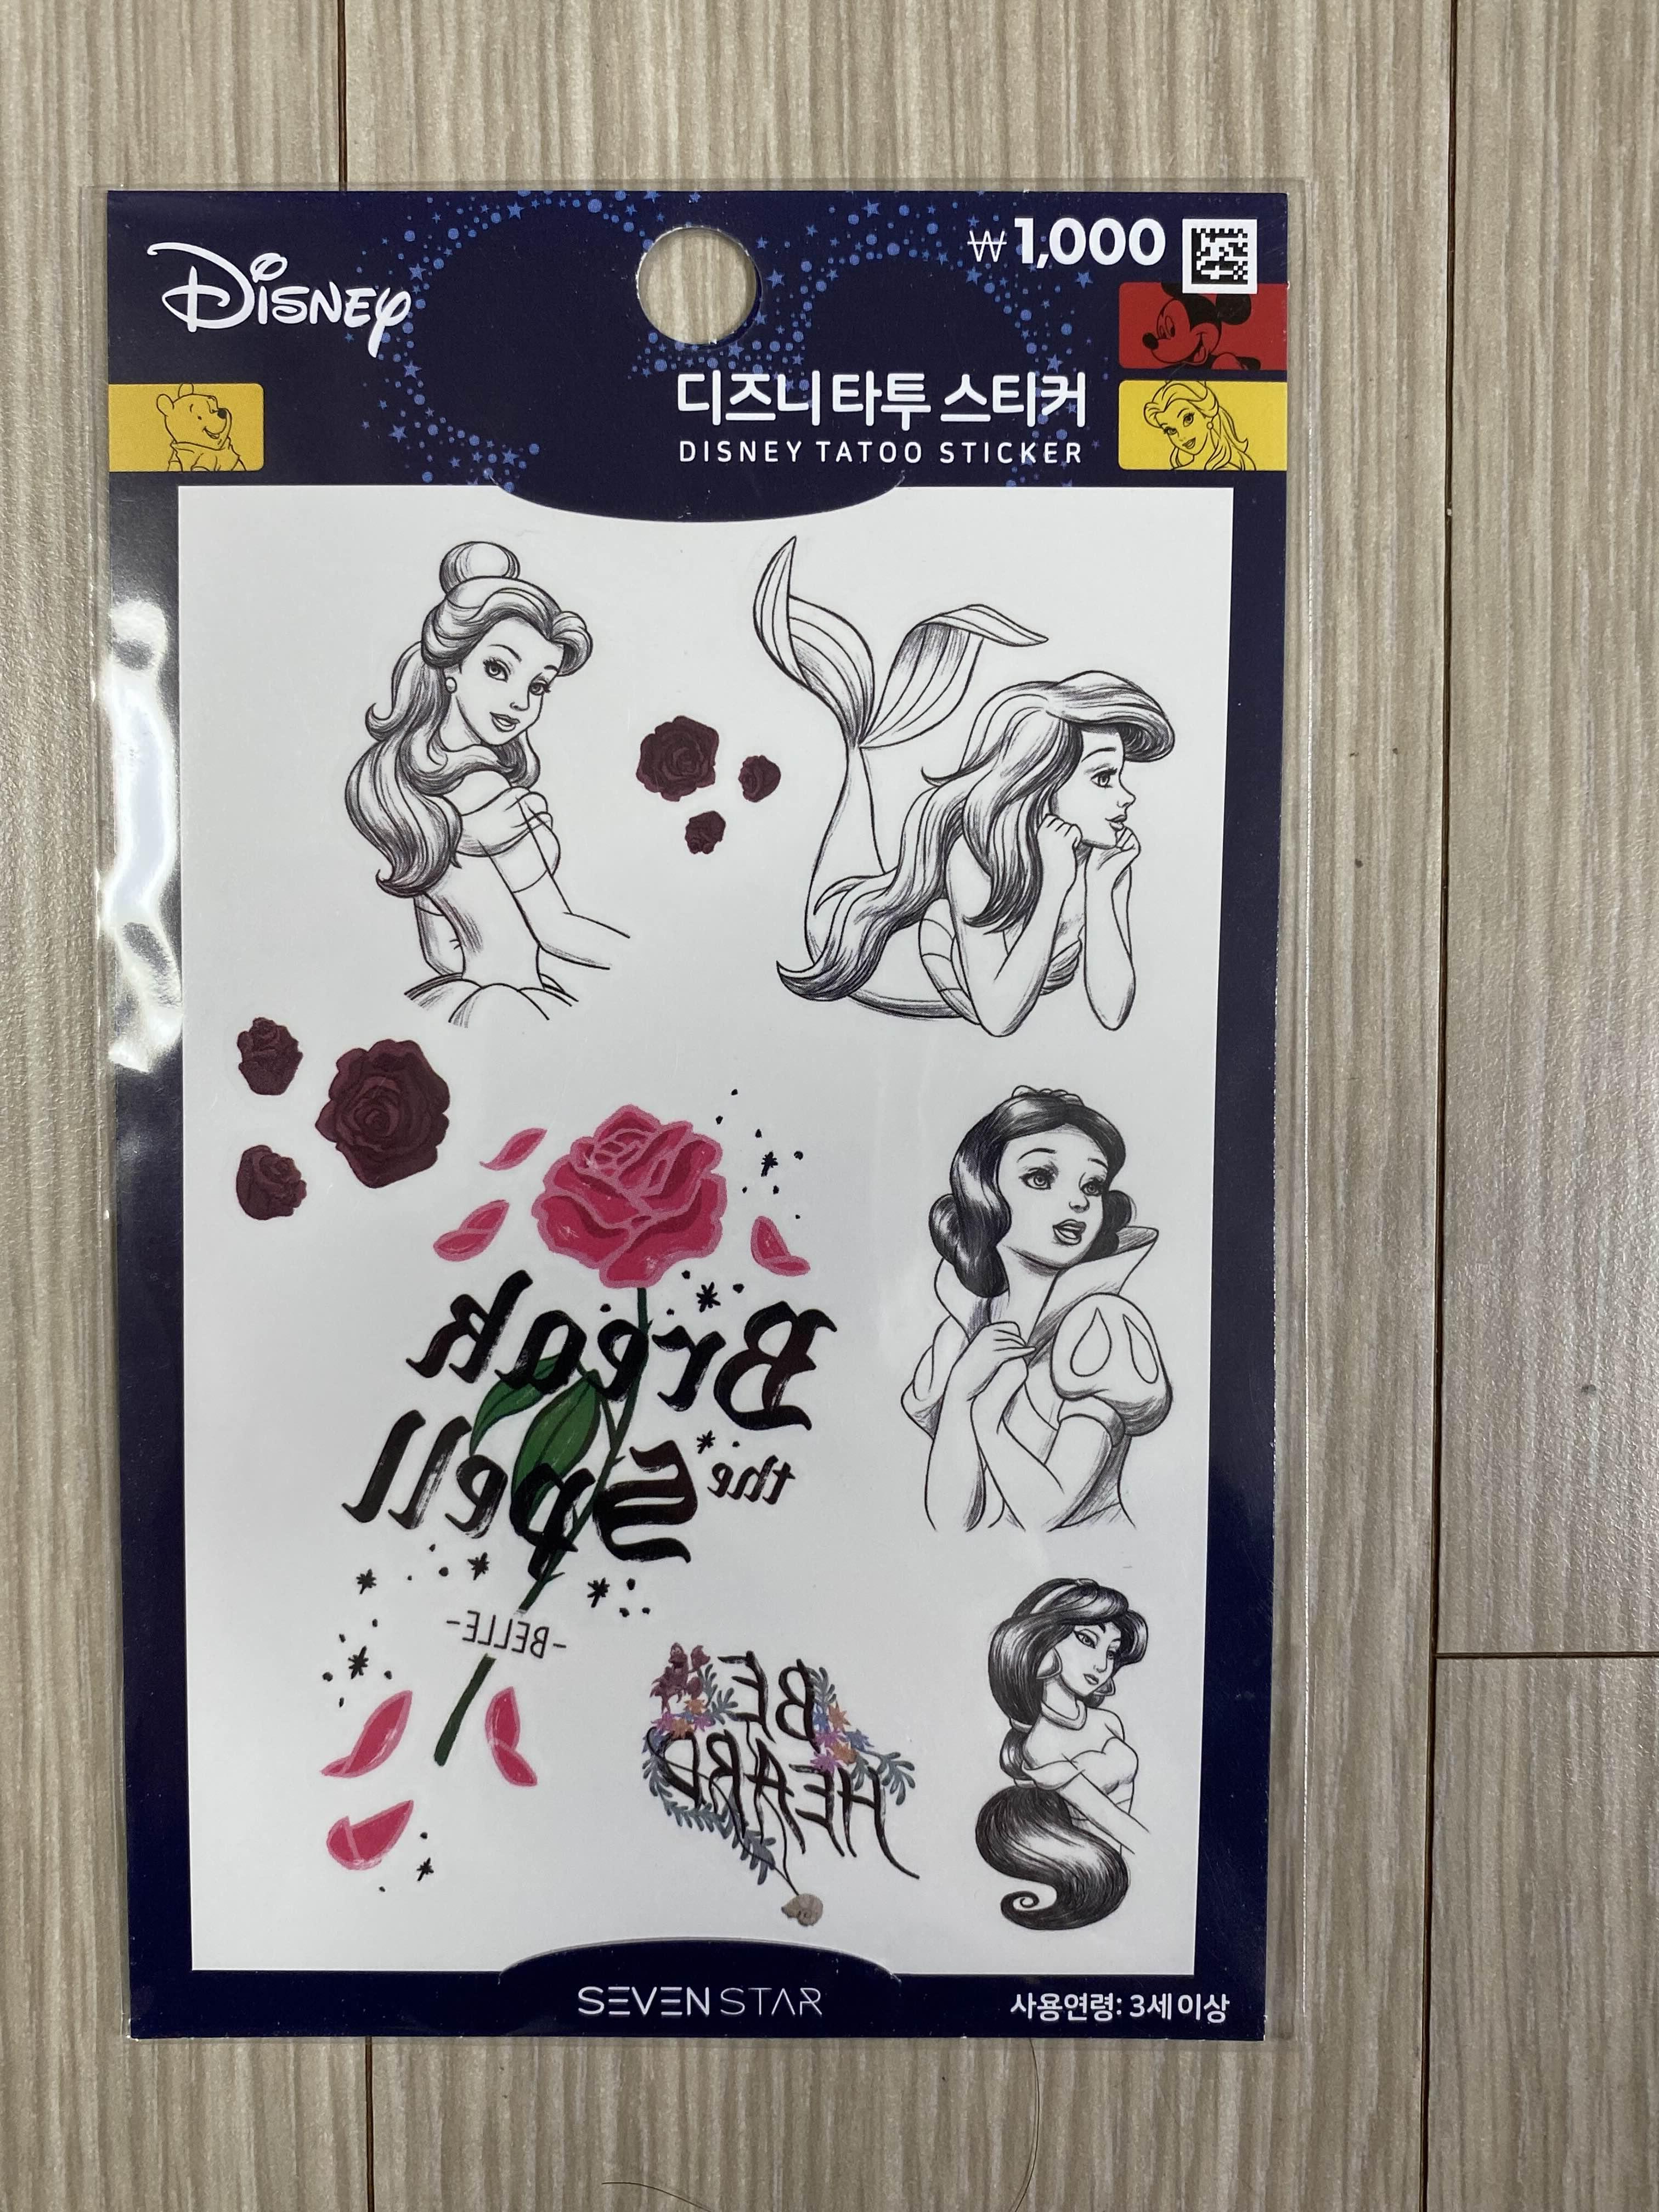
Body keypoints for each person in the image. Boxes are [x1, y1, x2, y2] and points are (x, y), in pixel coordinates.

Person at [754, 539, 1173, 1036]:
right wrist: (1055, 887)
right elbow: (999, 1017)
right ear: (1045, 781)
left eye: (1119, 777)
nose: (1127, 796)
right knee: (859, 760)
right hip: (867, 949)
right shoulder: (976, 855)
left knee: (863, 748)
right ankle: (861, 724)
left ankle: (871, 723)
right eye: (1103, 778)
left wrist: (1101, 890)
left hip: (960, 985)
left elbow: (1112, 1011)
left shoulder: (1101, 858)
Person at [346, 540, 624, 1024]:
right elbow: (557, 930)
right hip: (516, 1002)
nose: (521, 702)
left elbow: (442, 954)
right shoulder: (486, 789)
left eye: (538, 685)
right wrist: (655, 963)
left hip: (463, 999)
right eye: (498, 669)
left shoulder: (416, 787)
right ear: (451, 666)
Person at [903, 1089, 1171, 1531]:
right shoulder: (962, 1335)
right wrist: (960, 1393)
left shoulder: (1101, 1325)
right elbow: (951, 1522)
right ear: (985, 1194)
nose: (1079, 1202)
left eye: (1092, 1186)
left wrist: (986, 1417)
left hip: (1094, 1555)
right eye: (1042, 1177)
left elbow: (1046, 1511)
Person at [975, 1578, 1149, 1929]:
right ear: (1044, 1644)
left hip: (1131, 1869)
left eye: (1111, 1651)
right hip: (1114, 1862)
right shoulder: (1041, 1746)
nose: (1102, 1664)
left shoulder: (1108, 1721)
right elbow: (1113, 1822)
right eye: (1087, 1641)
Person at [1142, 379, 1256, 472]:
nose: (1182, 437)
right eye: (1171, 430)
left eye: (1188, 419)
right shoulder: (1177, 473)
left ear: (1207, 415)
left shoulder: (1227, 471)